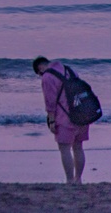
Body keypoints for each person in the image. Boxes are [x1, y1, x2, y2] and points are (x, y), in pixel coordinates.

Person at [33, 56, 89, 184]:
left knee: (64, 149)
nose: (41, 76)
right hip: (81, 115)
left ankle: (69, 180)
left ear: (40, 68)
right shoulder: (70, 70)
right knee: (78, 147)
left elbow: (50, 101)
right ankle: (78, 179)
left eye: (39, 74)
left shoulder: (47, 77)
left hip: (64, 118)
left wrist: (51, 121)